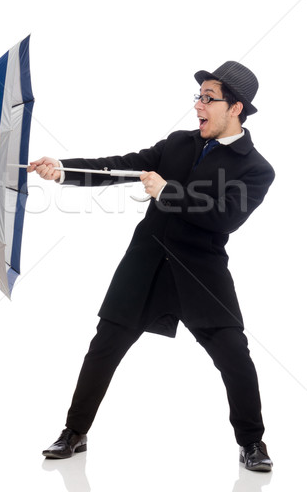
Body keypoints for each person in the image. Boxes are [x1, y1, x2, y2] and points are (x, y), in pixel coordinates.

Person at [28, 61, 275, 472]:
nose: (199, 104)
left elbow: (225, 217)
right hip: (145, 267)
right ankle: (74, 432)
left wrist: (168, 192)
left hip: (202, 276)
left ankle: (252, 443)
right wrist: (64, 170)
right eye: (198, 96)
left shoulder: (256, 168)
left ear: (236, 108)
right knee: (103, 348)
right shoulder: (178, 143)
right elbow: (119, 165)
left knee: (235, 355)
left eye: (209, 98)